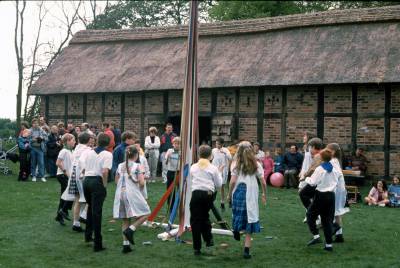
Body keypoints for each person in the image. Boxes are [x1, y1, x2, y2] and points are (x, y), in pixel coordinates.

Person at [227, 141, 266, 259]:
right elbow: (263, 182)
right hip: (251, 193)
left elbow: (233, 181)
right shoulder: (257, 164)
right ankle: (246, 251)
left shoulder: (235, 164)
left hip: (239, 192)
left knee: (238, 214)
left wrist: (229, 195)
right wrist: (264, 193)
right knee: (250, 218)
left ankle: (236, 230)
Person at [113, 145, 150, 254]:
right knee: (146, 212)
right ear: (136, 155)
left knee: (125, 219)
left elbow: (116, 181)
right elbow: (142, 183)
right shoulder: (138, 166)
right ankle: (131, 229)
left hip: (120, 193)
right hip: (132, 193)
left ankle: (126, 246)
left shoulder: (120, 166)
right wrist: (140, 189)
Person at [189, 145, 223, 256]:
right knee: (204, 217)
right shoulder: (213, 168)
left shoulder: (193, 167)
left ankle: (197, 248)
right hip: (208, 194)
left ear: (199, 155)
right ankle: (208, 240)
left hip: (196, 194)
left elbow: (192, 179)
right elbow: (219, 184)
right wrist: (220, 172)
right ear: (211, 156)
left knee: (195, 220)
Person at [83, 133, 113, 252]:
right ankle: (98, 244)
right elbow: (105, 171)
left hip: (87, 181)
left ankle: (88, 235)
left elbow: (85, 168)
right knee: (97, 213)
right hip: (97, 181)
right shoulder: (107, 154)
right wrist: (104, 185)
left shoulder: (89, 152)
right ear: (109, 143)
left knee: (91, 208)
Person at [305, 149, 339, 252]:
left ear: (322, 158)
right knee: (327, 220)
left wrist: (306, 177)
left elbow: (312, 182)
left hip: (321, 195)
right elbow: (338, 179)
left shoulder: (320, 169)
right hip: (331, 196)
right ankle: (329, 245)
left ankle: (316, 236)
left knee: (310, 215)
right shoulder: (334, 169)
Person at [61, 132, 93, 232]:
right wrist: (84, 171)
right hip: (82, 175)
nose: (92, 140)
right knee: (90, 197)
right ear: (88, 140)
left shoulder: (77, 149)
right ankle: (83, 216)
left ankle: (76, 223)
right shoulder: (87, 150)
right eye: (91, 139)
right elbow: (84, 162)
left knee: (78, 199)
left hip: (74, 175)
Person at [326, 143, 349, 243]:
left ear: (333, 152)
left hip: (336, 190)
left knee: (332, 211)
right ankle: (339, 235)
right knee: (336, 212)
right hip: (339, 189)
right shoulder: (335, 161)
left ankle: (334, 229)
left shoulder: (332, 162)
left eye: (328, 149)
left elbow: (332, 176)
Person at [55, 133, 75, 226]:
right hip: (62, 175)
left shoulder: (71, 151)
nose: (74, 142)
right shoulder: (64, 151)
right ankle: (63, 211)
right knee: (69, 193)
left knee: (64, 196)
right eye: (73, 140)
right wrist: (66, 172)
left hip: (68, 176)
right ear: (67, 141)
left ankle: (60, 215)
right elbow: (58, 163)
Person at [298, 138, 324, 211]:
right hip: (319, 181)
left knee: (303, 194)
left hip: (319, 181)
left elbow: (313, 169)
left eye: (310, 147)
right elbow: (311, 167)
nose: (310, 150)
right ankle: (313, 214)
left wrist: (304, 176)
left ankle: (312, 214)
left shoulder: (318, 155)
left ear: (313, 147)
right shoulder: (320, 154)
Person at [211, 137, 232, 210]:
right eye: (216, 143)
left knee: (222, 186)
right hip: (215, 170)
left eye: (219, 144)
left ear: (222, 144)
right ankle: (211, 201)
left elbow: (230, 158)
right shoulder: (213, 150)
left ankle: (223, 202)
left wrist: (225, 153)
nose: (217, 145)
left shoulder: (226, 150)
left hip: (223, 170)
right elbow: (211, 158)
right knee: (213, 185)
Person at [165, 137, 181, 209]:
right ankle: (170, 205)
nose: (177, 145)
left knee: (180, 189)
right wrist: (168, 157)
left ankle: (179, 204)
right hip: (171, 172)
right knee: (170, 189)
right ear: (173, 144)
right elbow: (165, 162)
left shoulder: (182, 152)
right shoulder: (169, 150)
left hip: (179, 172)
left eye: (178, 144)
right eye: (175, 143)